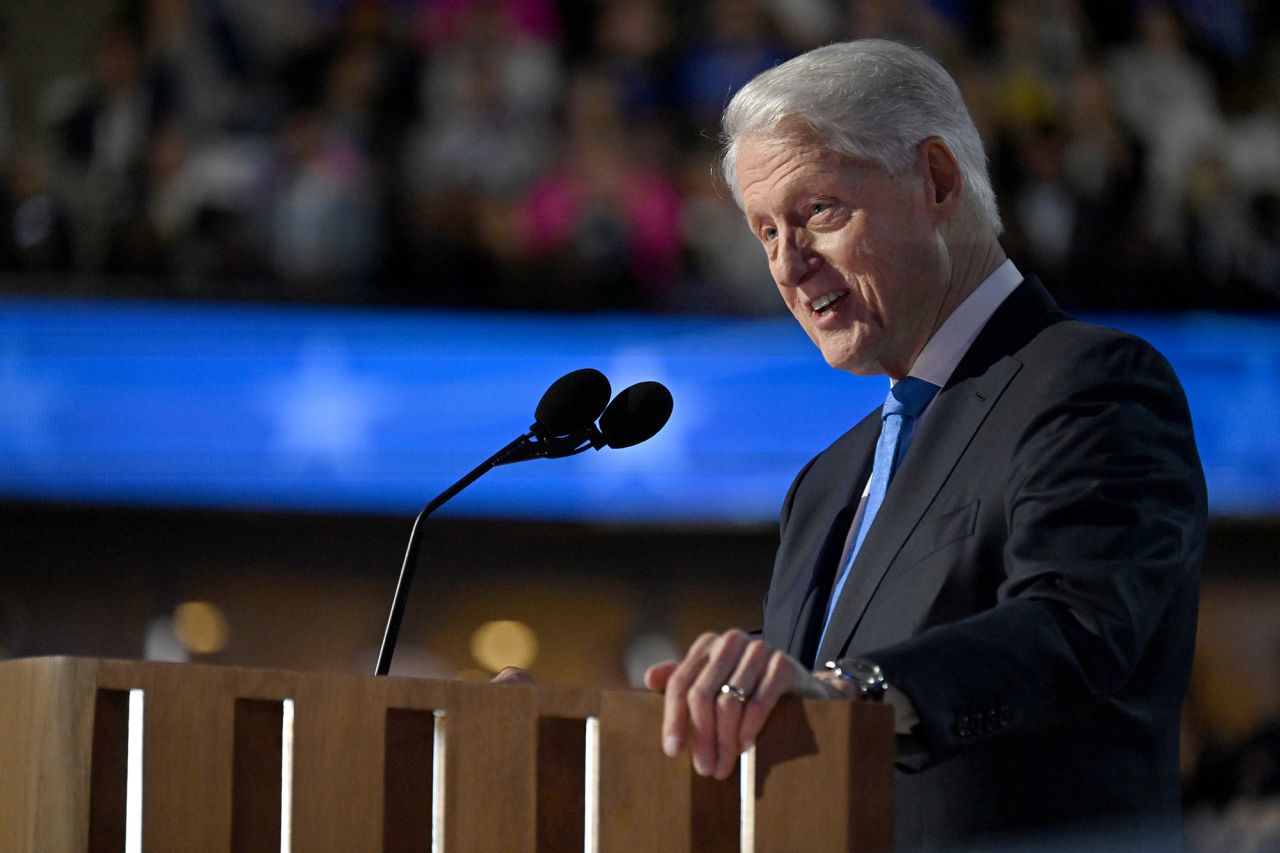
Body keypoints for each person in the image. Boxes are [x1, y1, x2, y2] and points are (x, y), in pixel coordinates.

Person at [643, 39, 1206, 849]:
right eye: (765, 232)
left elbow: (1074, 629)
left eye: (817, 213)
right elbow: (782, 720)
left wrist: (855, 694)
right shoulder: (826, 483)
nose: (789, 265)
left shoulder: (1093, 382)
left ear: (938, 181)